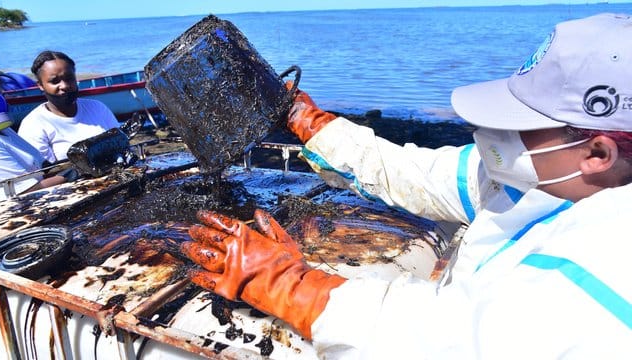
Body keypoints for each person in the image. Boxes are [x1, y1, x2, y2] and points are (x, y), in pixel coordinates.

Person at [179, 13, 632, 359]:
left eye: (521, 125)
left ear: (598, 153)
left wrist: (293, 286)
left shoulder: (606, 275)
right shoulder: (538, 173)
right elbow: (414, 173)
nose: (493, 133)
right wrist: (310, 124)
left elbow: (449, 343)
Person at [17, 50, 119, 163]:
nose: (65, 86)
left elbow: (121, 144)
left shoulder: (97, 108)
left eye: (69, 78)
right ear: (41, 85)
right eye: (54, 81)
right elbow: (46, 172)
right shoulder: (33, 126)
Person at [0, 87, 76, 203]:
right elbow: (24, 193)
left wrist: (75, 161)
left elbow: (43, 167)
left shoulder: (5, 130)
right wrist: (73, 173)